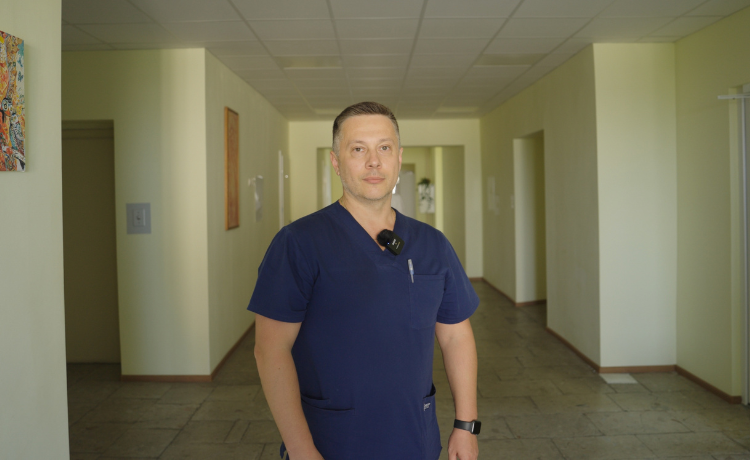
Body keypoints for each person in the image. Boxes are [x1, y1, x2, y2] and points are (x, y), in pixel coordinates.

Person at [248, 102, 480, 460]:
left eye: (384, 148)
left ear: (398, 158)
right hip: (332, 443)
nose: (374, 161)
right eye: (359, 149)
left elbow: (455, 335)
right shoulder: (299, 243)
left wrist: (466, 425)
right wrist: (300, 449)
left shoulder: (433, 244)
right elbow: (270, 350)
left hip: (416, 439)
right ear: (336, 161)